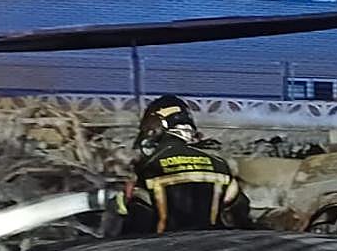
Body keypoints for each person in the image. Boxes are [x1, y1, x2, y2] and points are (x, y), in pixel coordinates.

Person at [103, 95, 252, 236]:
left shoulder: (149, 167)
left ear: (156, 126)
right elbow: (239, 212)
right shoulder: (219, 165)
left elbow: (139, 220)